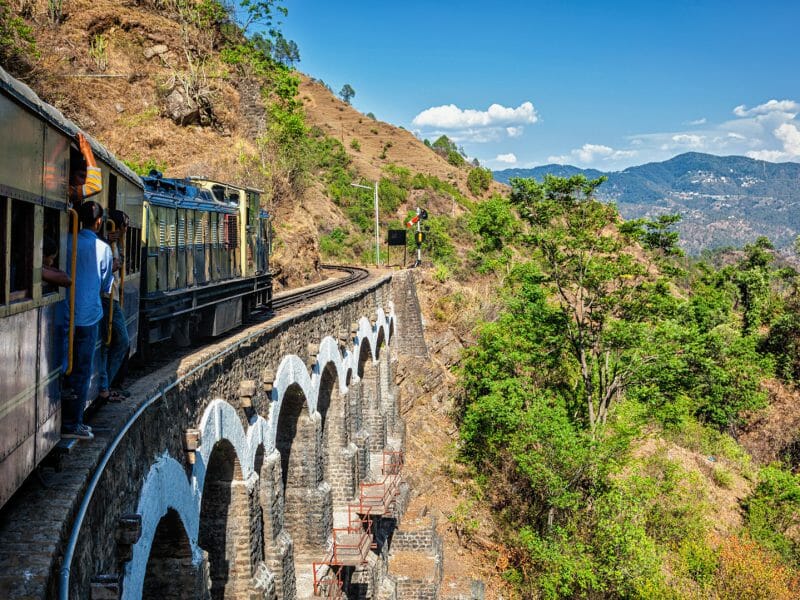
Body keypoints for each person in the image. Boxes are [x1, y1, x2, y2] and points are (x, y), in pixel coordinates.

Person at [62, 200, 113, 440]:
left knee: (63, 367)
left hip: (63, 313)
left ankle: (61, 416)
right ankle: (74, 423)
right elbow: (105, 285)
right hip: (88, 316)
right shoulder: (103, 249)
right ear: (100, 222)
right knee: (81, 370)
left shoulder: (66, 242)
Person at [97, 210, 131, 402]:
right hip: (108, 297)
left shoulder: (116, 243)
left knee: (111, 343)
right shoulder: (105, 244)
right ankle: (106, 385)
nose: (126, 230)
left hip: (113, 297)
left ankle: (107, 385)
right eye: (125, 227)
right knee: (121, 341)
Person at [68, 132, 102, 206]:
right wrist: (87, 151)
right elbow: (95, 186)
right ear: (72, 175)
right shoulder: (66, 190)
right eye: (82, 176)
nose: (86, 181)